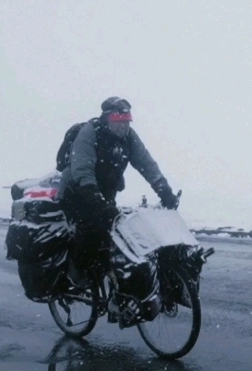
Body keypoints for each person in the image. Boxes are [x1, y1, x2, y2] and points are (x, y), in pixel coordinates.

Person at [57, 96, 181, 276]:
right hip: (77, 191)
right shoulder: (90, 132)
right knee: (90, 231)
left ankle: (108, 282)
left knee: (117, 233)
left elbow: (146, 164)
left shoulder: (129, 137)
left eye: (127, 121)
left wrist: (165, 192)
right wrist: (97, 202)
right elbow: (82, 171)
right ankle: (76, 275)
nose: (123, 125)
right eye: (118, 120)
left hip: (106, 192)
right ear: (107, 118)